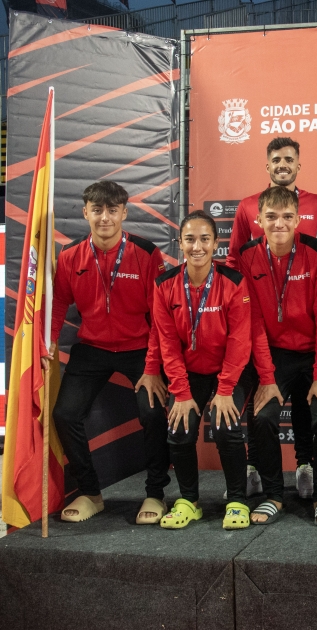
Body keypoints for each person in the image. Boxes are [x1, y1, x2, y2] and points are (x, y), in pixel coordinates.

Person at [226, 136, 317, 503]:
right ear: (259, 219)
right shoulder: (247, 223)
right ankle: (263, 479)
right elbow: (235, 268)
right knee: (261, 415)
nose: (279, 223)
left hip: (312, 350)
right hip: (270, 350)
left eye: (289, 159)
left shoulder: (316, 231)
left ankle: (312, 476)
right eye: (276, 158)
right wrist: (266, 374)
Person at [47, 181, 170, 525]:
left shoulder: (146, 253)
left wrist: (152, 367)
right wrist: (49, 343)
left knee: (152, 414)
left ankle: (156, 493)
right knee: (65, 415)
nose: (105, 218)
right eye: (97, 210)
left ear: (124, 213)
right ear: (86, 212)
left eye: (112, 210)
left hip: (139, 348)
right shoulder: (70, 256)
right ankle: (91, 493)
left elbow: (160, 317)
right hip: (92, 348)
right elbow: (58, 304)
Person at [153, 211, 252, 530]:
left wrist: (225, 391)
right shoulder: (164, 284)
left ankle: (237, 500)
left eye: (205, 239)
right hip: (189, 373)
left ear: (216, 244)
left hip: (229, 371)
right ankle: (188, 501)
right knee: (179, 429)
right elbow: (167, 343)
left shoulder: (233, 282)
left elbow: (240, 341)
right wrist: (180, 393)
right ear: (180, 243)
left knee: (226, 427)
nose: (197, 246)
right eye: (190, 239)